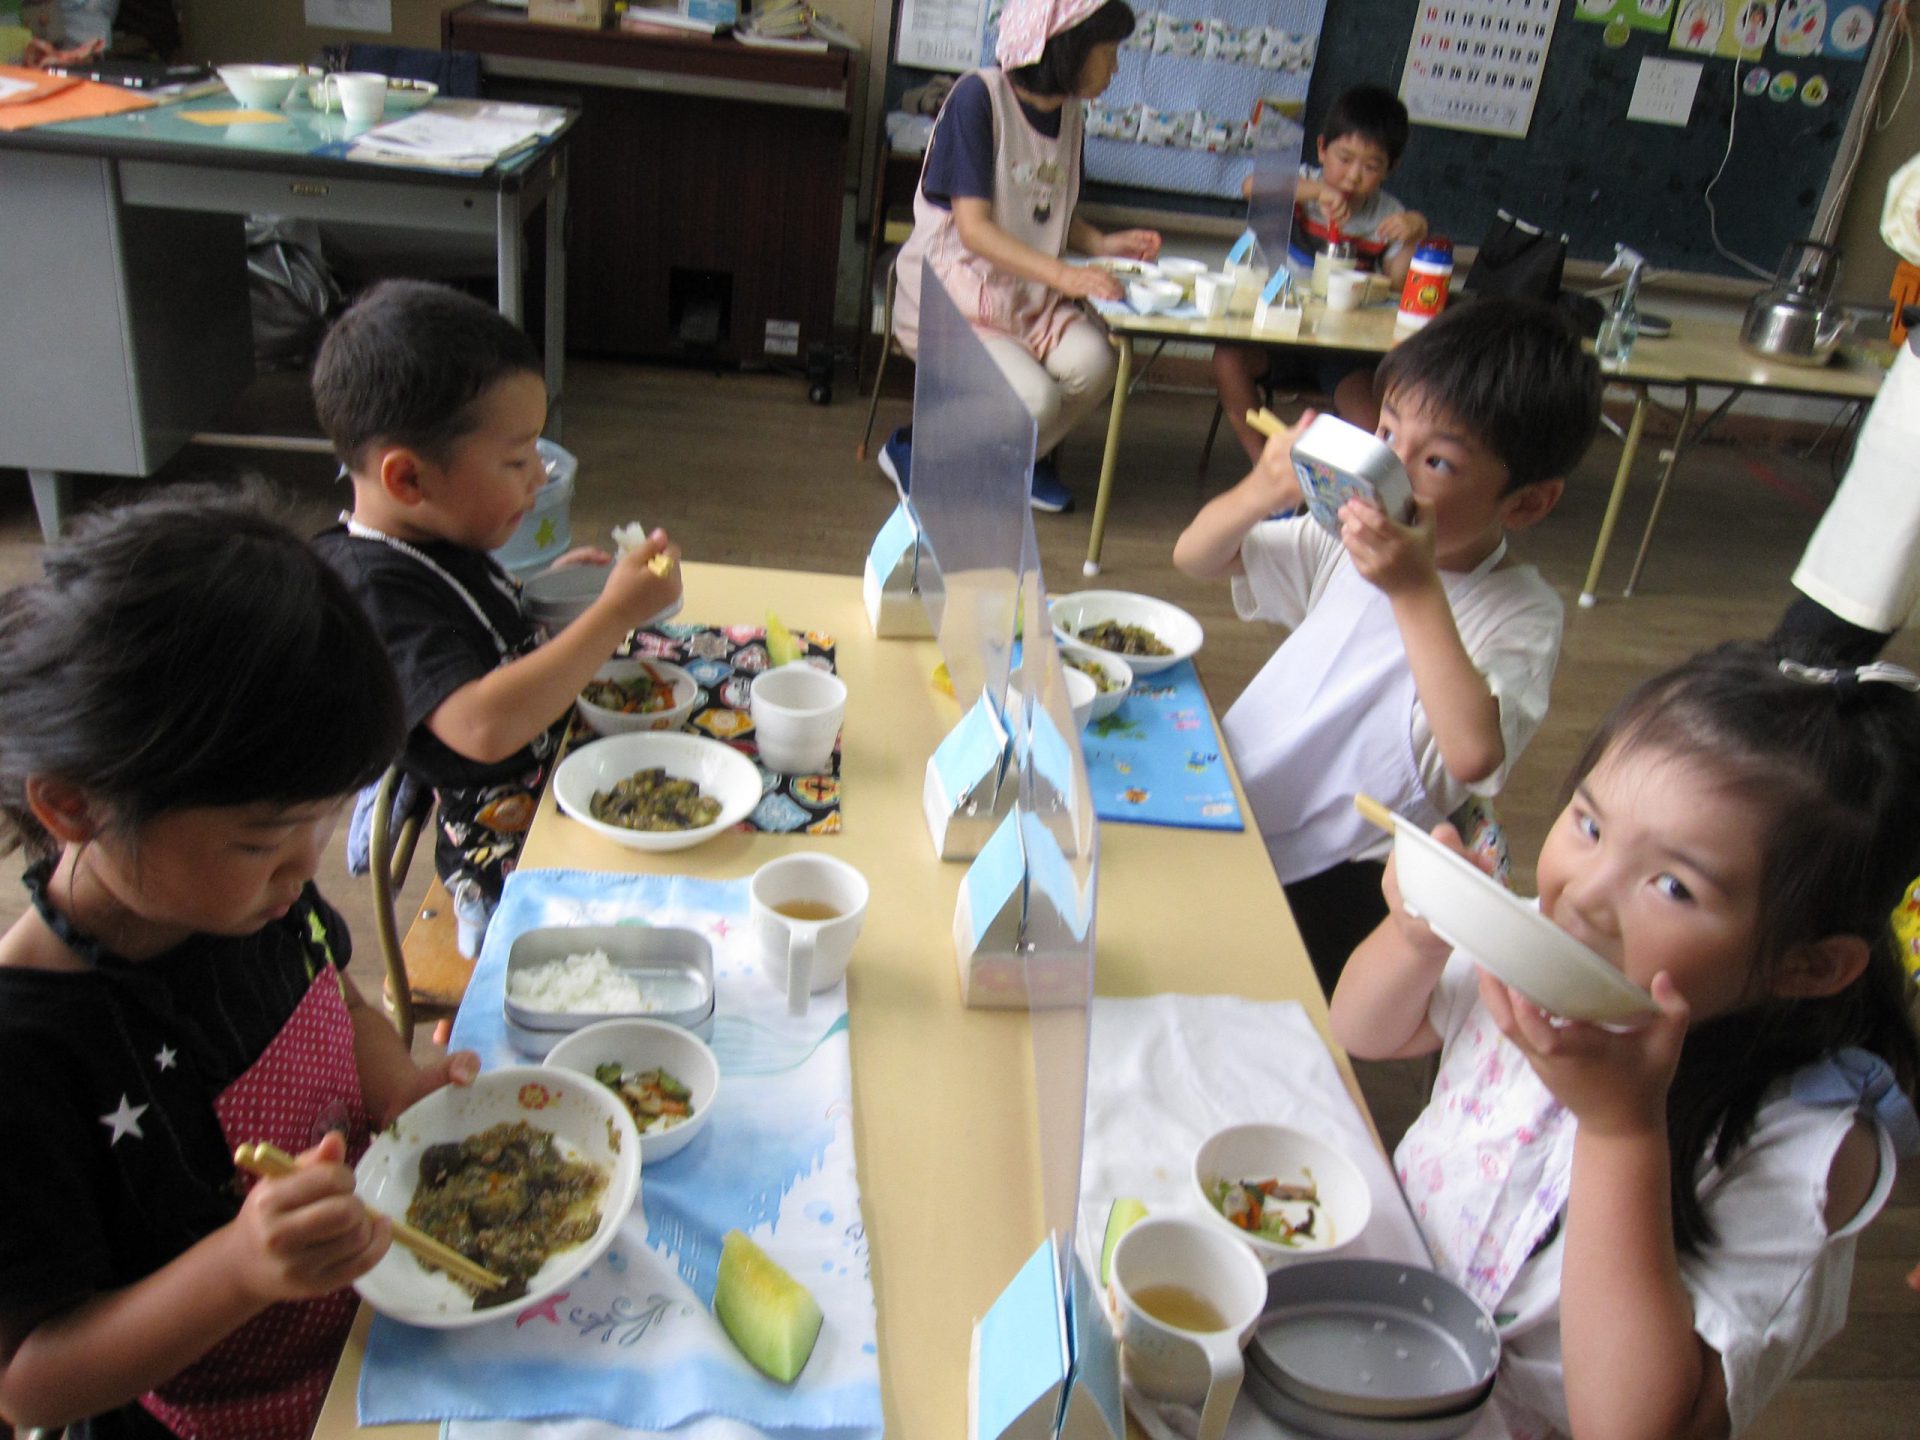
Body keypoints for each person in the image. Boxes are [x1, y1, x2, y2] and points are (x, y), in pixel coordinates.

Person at [1329, 644, 1920, 1440]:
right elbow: (1364, 1029)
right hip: (1368, 1329)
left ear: (1806, 965)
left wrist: (1621, 1129)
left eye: (1674, 885)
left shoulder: (1809, 1153)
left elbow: (1633, 1428)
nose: (1586, 895)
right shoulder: (1533, 942)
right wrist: (1415, 937)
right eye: (1590, 825)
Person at [0, 486, 481, 1440]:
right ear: (74, 807)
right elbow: (29, 1384)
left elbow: (334, 1001)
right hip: (229, 1413)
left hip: (372, 1318)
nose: (303, 869)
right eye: (263, 839)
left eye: (321, 821)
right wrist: (240, 1268)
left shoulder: (246, 895)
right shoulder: (26, 1050)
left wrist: (396, 1085)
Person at [1173, 297, 1601, 989]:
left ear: (1525, 503)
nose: (1387, 469)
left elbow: (1473, 754)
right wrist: (1260, 491)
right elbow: (1197, 556)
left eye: (1436, 461)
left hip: (1345, 870)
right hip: (1239, 793)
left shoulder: (1522, 614)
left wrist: (1413, 587)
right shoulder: (1346, 536)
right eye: (1387, 430)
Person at [311, 280, 683, 939]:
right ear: (409, 478)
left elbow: (475, 625)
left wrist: (541, 591)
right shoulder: (371, 591)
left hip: (557, 772)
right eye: (517, 460)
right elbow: (482, 726)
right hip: (508, 860)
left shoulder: (435, 533)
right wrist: (614, 616)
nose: (540, 477)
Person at [880, 0, 1162, 514]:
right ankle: (919, 451)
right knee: (1035, 399)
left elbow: (1044, 206)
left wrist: (1101, 245)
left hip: (1026, 298)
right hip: (954, 297)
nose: (1116, 68)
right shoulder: (977, 98)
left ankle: (1014, 462)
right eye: (1109, 52)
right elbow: (974, 230)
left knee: (1099, 364)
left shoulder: (1070, 114)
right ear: (1068, 48)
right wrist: (1066, 276)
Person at [1212, 85, 1429, 461]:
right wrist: (1314, 192)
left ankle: (1329, 480)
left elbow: (1398, 284)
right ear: (1322, 149)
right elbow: (1250, 187)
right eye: (1344, 158)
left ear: (1390, 169)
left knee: (1369, 418)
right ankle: (1264, 463)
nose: (1353, 176)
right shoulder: (1300, 184)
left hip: (1343, 349)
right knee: (1228, 359)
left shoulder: (1387, 215)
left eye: (1370, 166)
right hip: (1275, 332)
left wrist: (1415, 231)